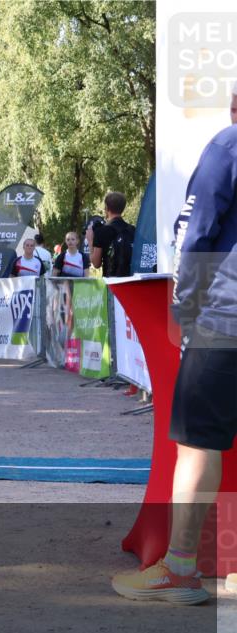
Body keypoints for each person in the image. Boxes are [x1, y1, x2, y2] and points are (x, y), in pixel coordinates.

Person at [111, 122, 237, 605]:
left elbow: (196, 233)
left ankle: (181, 568)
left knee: (197, 445)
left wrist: (183, 308)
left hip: (223, 320)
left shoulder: (227, 146)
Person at [88, 192, 135, 277]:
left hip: (111, 282)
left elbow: (96, 263)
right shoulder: (132, 230)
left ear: (106, 208)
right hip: (130, 280)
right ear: (123, 208)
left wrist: (90, 240)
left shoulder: (101, 231)